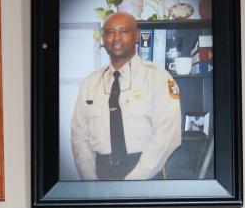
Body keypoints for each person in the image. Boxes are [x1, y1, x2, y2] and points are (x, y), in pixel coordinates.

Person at [70, 11, 182, 180]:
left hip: (147, 174)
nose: (116, 38)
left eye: (123, 31)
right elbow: (79, 137)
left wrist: (133, 181)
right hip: (101, 175)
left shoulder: (158, 77)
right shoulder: (89, 84)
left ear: (136, 36)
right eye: (110, 32)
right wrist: (91, 182)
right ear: (103, 38)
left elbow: (167, 135)